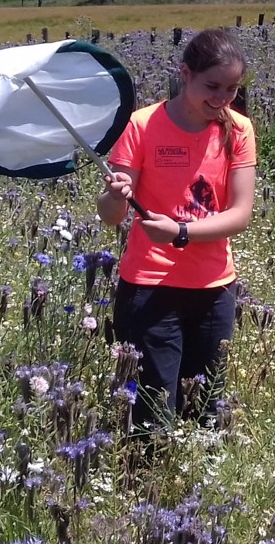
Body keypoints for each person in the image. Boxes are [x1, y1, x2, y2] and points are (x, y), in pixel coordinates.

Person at [97, 28, 256, 429]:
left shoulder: (238, 130)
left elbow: (240, 214)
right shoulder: (142, 125)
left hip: (213, 288)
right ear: (185, 74)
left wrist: (181, 232)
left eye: (232, 88)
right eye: (212, 86)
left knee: (205, 409)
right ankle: (147, 483)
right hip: (150, 287)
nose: (221, 99)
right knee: (152, 411)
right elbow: (111, 215)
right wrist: (117, 194)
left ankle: (195, 490)